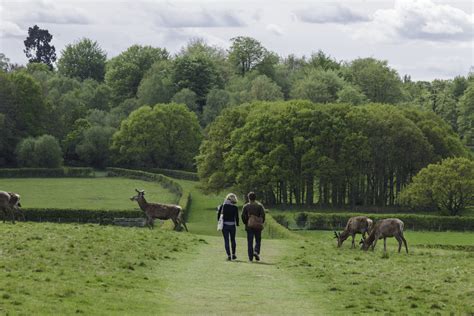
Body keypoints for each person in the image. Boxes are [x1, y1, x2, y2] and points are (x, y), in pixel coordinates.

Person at [241, 192, 265, 262]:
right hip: (257, 226)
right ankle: (256, 251)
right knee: (258, 240)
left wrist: (246, 222)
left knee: (250, 242)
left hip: (249, 226)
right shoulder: (259, 206)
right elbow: (263, 216)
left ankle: (250, 258)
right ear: (255, 198)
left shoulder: (246, 206)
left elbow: (242, 216)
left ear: (248, 198)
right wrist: (261, 222)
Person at [217, 193, 239, 261]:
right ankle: (234, 254)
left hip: (225, 225)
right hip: (232, 225)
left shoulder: (222, 206)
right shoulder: (235, 207)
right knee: (233, 240)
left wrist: (219, 222)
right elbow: (237, 217)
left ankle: (229, 255)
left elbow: (218, 216)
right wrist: (237, 224)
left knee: (226, 240)